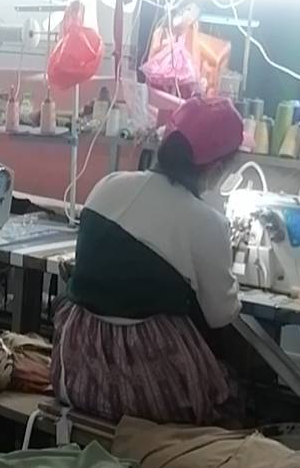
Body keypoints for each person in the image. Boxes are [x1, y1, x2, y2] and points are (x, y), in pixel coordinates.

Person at [52, 94, 244, 425]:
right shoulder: (206, 222)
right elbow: (221, 315)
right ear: (217, 169)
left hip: (77, 371)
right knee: (236, 391)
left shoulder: (107, 185)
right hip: (149, 389)